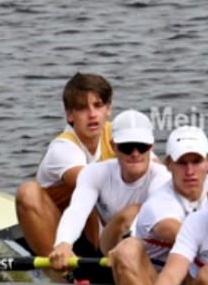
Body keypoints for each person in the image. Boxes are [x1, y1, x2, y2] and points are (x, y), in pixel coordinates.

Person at [109, 126, 208, 285]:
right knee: (127, 249)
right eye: (182, 163)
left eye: (196, 161)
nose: (189, 171)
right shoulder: (159, 203)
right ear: (168, 164)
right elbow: (185, 236)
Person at [48, 109, 168, 271]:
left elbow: (151, 215)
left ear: (151, 146)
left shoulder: (161, 177)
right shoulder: (94, 173)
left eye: (142, 146)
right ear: (113, 146)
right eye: (127, 147)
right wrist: (63, 243)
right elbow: (77, 211)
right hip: (109, 252)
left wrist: (127, 247)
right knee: (128, 214)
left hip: (155, 257)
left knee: (132, 213)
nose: (135, 153)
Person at [16, 72, 115, 255]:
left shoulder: (119, 136)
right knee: (28, 191)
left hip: (89, 231)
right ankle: (60, 274)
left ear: (108, 109)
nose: (92, 114)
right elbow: (88, 182)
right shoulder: (63, 148)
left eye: (98, 105)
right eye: (82, 108)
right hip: (51, 229)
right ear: (70, 115)